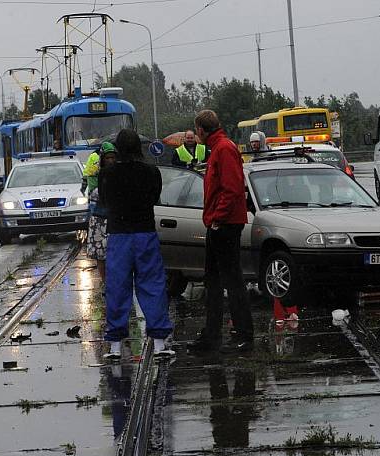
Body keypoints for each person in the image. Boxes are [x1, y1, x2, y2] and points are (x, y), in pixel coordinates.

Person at [99, 129, 174, 359]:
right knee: (152, 284)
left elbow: (104, 200)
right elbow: (154, 198)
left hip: (119, 234)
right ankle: (160, 342)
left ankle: (114, 344)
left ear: (119, 148)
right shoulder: (151, 171)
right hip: (144, 233)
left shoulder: (107, 174)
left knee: (117, 287)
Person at [191, 109, 254, 354]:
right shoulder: (219, 148)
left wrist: (217, 218)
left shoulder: (223, 149)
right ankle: (212, 334)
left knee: (231, 281)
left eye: (196, 129)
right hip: (220, 223)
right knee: (215, 281)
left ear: (201, 129)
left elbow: (232, 188)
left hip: (224, 224)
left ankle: (243, 334)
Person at [85, 142, 116, 284]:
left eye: (112, 157)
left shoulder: (119, 173)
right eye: (107, 158)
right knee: (100, 255)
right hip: (98, 219)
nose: (110, 161)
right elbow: (92, 193)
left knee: (114, 254)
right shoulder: (96, 172)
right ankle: (105, 283)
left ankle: (114, 281)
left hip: (113, 219)